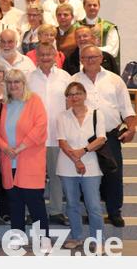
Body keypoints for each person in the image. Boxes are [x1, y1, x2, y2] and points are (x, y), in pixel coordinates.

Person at [70, 45, 136, 227]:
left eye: (93, 57)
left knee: (113, 175)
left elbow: (126, 108)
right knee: (86, 175)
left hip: (109, 136)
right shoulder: (74, 80)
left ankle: (114, 212)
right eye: (86, 57)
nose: (90, 60)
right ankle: (89, 212)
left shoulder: (115, 80)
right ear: (81, 60)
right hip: (83, 137)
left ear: (101, 58)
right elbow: (67, 108)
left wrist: (131, 128)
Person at [0, 69, 49, 247]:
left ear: (24, 83)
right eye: (9, 82)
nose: (13, 85)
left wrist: (20, 148)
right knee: (14, 204)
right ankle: (17, 238)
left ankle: (42, 240)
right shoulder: (2, 105)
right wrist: (6, 148)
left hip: (30, 161)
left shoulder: (34, 101)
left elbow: (40, 127)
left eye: (17, 82)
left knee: (35, 204)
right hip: (9, 161)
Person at [56, 82, 107, 250]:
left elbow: (101, 139)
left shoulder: (96, 114)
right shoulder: (62, 116)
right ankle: (76, 237)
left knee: (93, 206)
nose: (74, 97)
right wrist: (76, 160)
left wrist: (83, 151)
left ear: (85, 95)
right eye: (70, 94)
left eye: (78, 93)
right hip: (67, 166)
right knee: (71, 204)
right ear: (67, 98)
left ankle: (98, 240)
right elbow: (62, 142)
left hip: (91, 166)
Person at [27, 43, 72, 226]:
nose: (45, 57)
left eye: (49, 54)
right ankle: (35, 212)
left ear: (55, 56)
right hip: (33, 138)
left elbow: (71, 104)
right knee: (34, 178)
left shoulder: (65, 78)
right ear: (36, 56)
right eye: (42, 54)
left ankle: (56, 211)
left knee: (55, 176)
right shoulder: (28, 79)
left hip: (56, 135)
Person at [77, 0, 120, 64]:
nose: (92, 7)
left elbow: (113, 50)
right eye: (89, 5)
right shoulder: (76, 26)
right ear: (84, 7)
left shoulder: (108, 27)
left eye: (95, 5)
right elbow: (71, 49)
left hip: (104, 66)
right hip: (80, 66)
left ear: (99, 7)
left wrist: (89, 50)